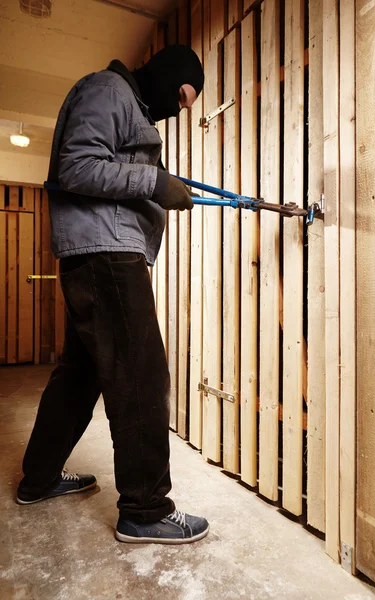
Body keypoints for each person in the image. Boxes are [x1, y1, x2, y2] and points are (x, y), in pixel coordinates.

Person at [16, 45, 209, 545]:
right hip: (107, 256)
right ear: (168, 75)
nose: (180, 107)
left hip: (97, 253)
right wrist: (153, 181)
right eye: (182, 96)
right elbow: (76, 167)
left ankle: (37, 481)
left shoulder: (126, 101)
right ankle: (145, 511)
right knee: (142, 377)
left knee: (79, 378)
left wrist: (157, 186)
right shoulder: (108, 90)